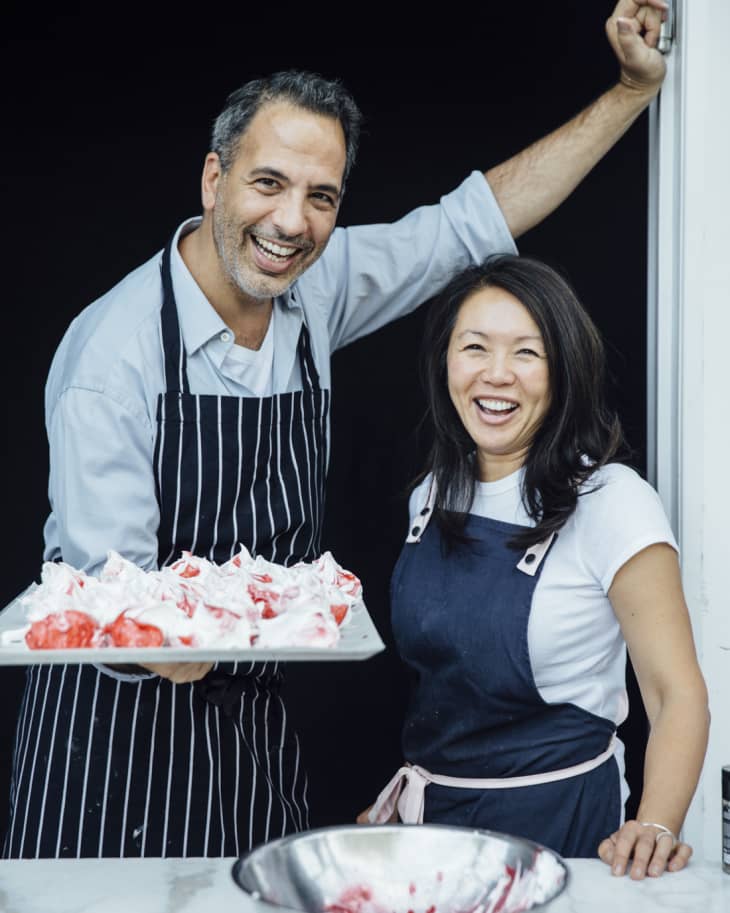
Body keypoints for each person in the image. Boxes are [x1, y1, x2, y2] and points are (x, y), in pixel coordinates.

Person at [4, 0, 671, 859]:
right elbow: (114, 600)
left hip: (248, 727)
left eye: (322, 197)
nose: (292, 223)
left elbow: (473, 224)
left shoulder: (314, 289)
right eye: (268, 183)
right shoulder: (114, 356)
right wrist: (243, 630)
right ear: (214, 180)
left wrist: (629, 90)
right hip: (114, 734)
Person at [362, 255, 709, 880]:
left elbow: (675, 693)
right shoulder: (433, 494)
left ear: (563, 371)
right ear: (447, 362)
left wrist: (656, 824)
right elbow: (444, 685)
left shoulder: (610, 500)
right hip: (434, 836)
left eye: (527, 352)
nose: (497, 375)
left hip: (562, 831)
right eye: (475, 347)